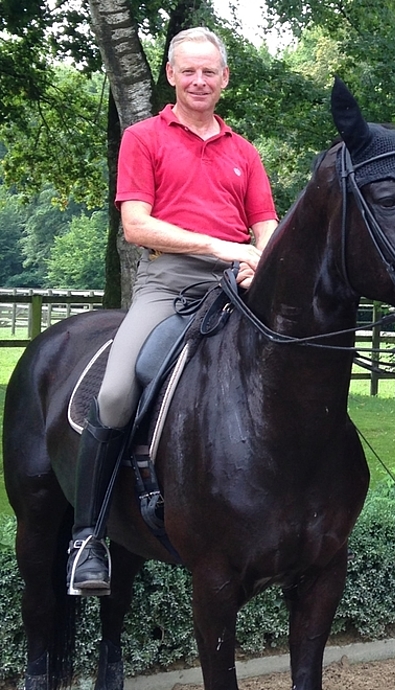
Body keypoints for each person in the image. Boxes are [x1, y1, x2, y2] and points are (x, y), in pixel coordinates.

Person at [66, 27, 279, 596]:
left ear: (225, 78)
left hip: (239, 283)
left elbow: (267, 230)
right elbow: (136, 225)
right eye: (188, 71)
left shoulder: (243, 151)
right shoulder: (143, 137)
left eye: (209, 71)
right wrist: (224, 247)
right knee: (113, 393)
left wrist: (265, 262)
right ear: (170, 74)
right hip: (168, 282)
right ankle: (86, 538)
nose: (199, 80)